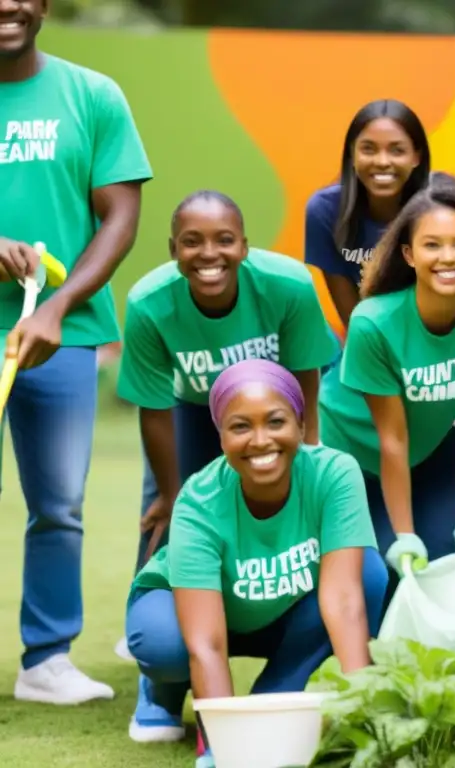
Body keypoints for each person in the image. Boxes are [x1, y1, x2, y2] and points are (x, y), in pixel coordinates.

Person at [115, 191, 341, 742]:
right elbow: (153, 408)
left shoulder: (286, 285)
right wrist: (169, 493)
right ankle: (160, 682)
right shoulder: (150, 302)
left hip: (270, 411)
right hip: (193, 412)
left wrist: (307, 450)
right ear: (173, 250)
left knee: (306, 543)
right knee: (173, 533)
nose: (208, 253)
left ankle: (273, 686)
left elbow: (307, 373)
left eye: (223, 239)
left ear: (244, 245)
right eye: (191, 242)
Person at [0, 0, 152, 704]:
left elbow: (120, 217)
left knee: (59, 503)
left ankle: (46, 661)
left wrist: (58, 305)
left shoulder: (93, 94)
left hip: (64, 333)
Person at [125, 360, 387, 767]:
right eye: (241, 426)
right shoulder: (199, 500)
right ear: (222, 436)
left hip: (276, 606)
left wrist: (366, 713)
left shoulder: (335, 474)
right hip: (192, 611)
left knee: (368, 574)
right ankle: (162, 691)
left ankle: (275, 692)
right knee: (165, 643)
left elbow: (346, 602)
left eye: (276, 421)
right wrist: (224, 747)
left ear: (301, 425)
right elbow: (207, 643)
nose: (261, 440)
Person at [318, 172, 455, 598]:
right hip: (350, 461)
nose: (449, 257)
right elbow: (392, 438)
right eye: (432, 245)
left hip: (424, 456)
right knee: (382, 580)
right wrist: (404, 534)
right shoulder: (375, 323)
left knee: (445, 568)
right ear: (408, 254)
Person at [304, 99, 431, 330]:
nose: (382, 161)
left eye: (397, 150)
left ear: (416, 157)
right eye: (369, 149)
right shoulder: (325, 211)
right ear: (352, 154)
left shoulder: (440, 207)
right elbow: (354, 319)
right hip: (371, 339)